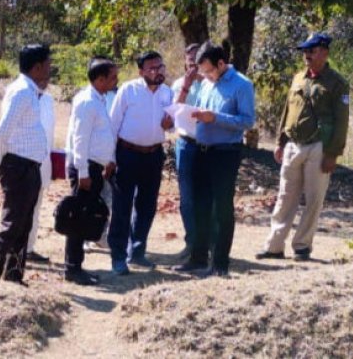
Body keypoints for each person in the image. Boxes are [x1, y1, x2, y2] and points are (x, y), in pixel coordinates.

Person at [257, 32, 349, 262]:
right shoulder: (298, 78)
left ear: (325, 52)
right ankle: (274, 246)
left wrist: (333, 154)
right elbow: (288, 111)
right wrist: (280, 141)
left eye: (312, 50)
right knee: (285, 197)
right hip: (293, 144)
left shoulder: (337, 83)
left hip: (319, 146)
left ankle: (302, 246)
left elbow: (342, 122)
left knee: (313, 199)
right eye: (305, 51)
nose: (307, 55)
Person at [176, 41, 255, 277]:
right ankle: (198, 257)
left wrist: (216, 118)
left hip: (225, 153)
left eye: (209, 70)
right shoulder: (207, 84)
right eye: (203, 71)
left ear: (222, 64)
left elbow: (247, 121)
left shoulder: (242, 85)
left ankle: (220, 264)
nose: (206, 76)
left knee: (221, 208)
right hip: (201, 151)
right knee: (199, 206)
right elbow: (202, 111)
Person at [0, 44, 51, 283]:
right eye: (48, 64)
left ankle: (13, 277)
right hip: (18, 167)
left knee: (24, 224)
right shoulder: (22, 91)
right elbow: (2, 132)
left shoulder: (30, 91)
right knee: (12, 225)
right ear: (38, 66)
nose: (50, 69)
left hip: (30, 167)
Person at [108, 51, 174, 275]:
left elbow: (173, 125)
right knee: (122, 206)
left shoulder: (167, 93)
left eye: (160, 66)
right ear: (141, 72)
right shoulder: (129, 90)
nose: (158, 71)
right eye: (152, 68)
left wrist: (169, 123)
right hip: (127, 154)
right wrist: (110, 158)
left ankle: (137, 251)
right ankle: (118, 256)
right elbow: (113, 124)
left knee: (147, 206)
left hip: (154, 155)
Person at [64, 57, 118, 285]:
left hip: (95, 167)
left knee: (85, 217)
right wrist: (83, 172)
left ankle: (77, 266)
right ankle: (72, 268)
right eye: (113, 77)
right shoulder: (87, 101)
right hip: (85, 168)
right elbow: (80, 139)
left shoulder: (99, 99)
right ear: (100, 79)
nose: (116, 81)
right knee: (78, 218)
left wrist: (109, 160)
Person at [170, 43, 204, 261]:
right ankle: (191, 242)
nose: (192, 64)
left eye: (197, 60)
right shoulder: (178, 85)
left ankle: (207, 243)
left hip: (209, 145)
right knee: (187, 198)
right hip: (186, 144)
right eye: (189, 60)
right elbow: (174, 112)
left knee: (207, 196)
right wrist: (187, 85)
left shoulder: (213, 84)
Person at [26, 90, 54, 263]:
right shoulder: (20, 93)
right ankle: (13, 252)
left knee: (35, 208)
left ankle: (28, 248)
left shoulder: (48, 99)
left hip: (42, 163)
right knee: (19, 211)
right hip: (23, 164)